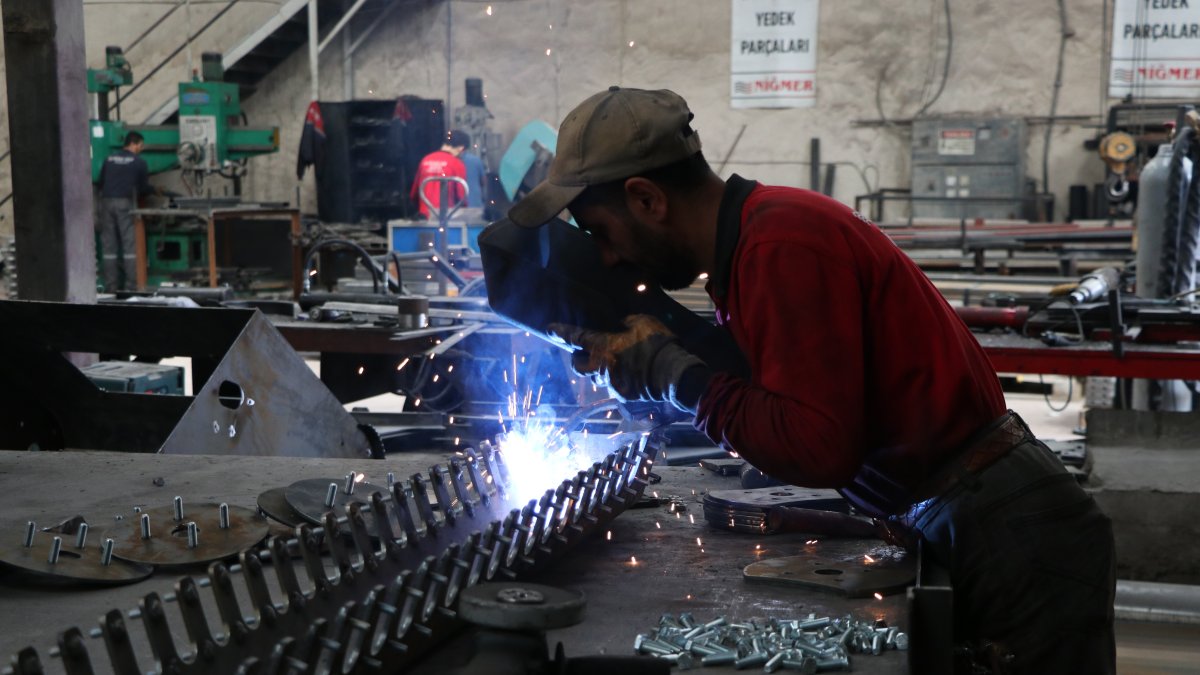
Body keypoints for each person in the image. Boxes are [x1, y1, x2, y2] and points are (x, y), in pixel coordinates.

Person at [508, 87, 1116, 674]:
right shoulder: (756, 243)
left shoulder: (781, 245)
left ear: (646, 199)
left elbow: (816, 446)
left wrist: (674, 378)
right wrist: (665, 365)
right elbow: (777, 393)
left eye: (601, 233)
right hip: (978, 513)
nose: (608, 258)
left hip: (1011, 532)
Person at [96, 131, 156, 291]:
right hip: (125, 203)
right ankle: (131, 286)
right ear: (135, 144)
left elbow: (101, 183)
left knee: (109, 247)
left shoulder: (109, 159)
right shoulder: (139, 162)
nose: (141, 149)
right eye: (141, 146)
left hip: (106, 203)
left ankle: (111, 287)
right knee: (130, 246)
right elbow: (143, 188)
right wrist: (155, 190)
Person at [411, 129, 469, 219]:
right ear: (461, 148)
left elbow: (414, 193)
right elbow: (461, 196)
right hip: (447, 217)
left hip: (425, 216)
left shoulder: (425, 160)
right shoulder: (457, 164)